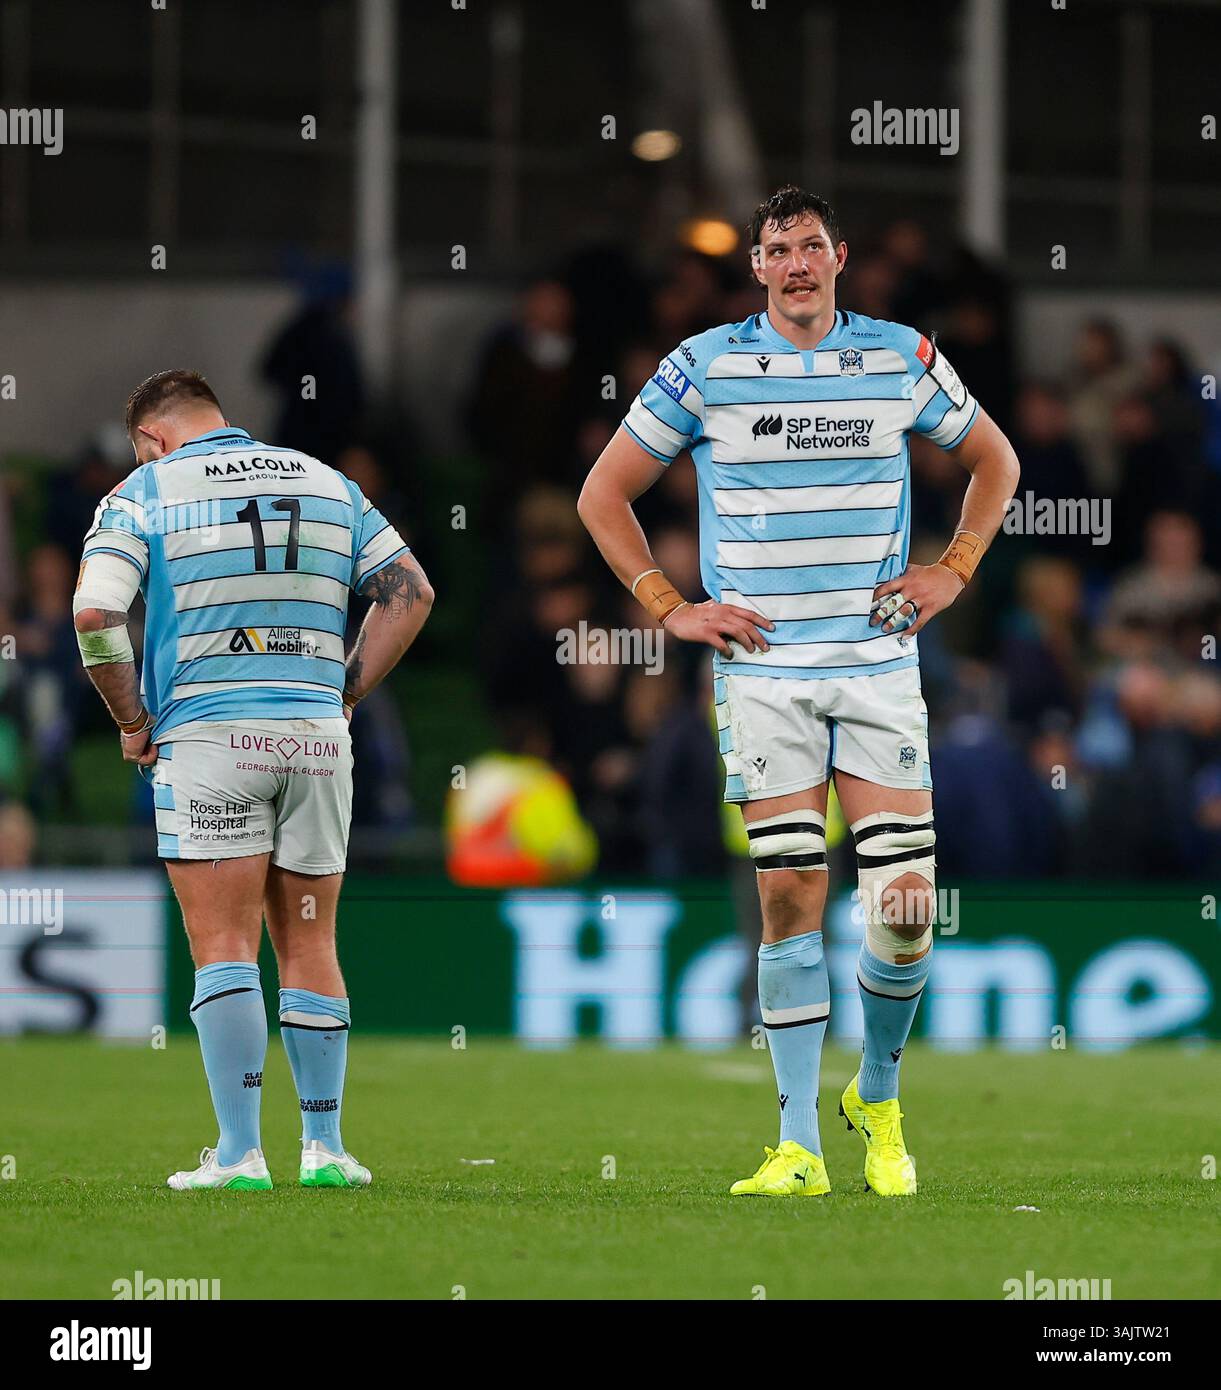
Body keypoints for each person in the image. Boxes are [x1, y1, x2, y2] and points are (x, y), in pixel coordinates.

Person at [578, 186, 1019, 1198]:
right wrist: (666, 603)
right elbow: (603, 496)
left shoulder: (899, 355)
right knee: (788, 893)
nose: (797, 263)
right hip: (765, 671)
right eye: (777, 249)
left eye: (811, 245)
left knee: (906, 905)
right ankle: (797, 1145)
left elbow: (996, 458)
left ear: (840, 257)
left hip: (875, 663)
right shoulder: (704, 366)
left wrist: (954, 568)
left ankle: (876, 1092)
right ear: (758, 270)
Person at [73, 369, 433, 1191]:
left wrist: (133, 723)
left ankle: (238, 1154)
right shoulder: (325, 479)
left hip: (207, 739)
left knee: (224, 947)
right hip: (313, 739)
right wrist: (340, 692)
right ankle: (327, 1150)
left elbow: (95, 615)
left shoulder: (147, 490)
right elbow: (410, 593)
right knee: (309, 940)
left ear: (153, 438)